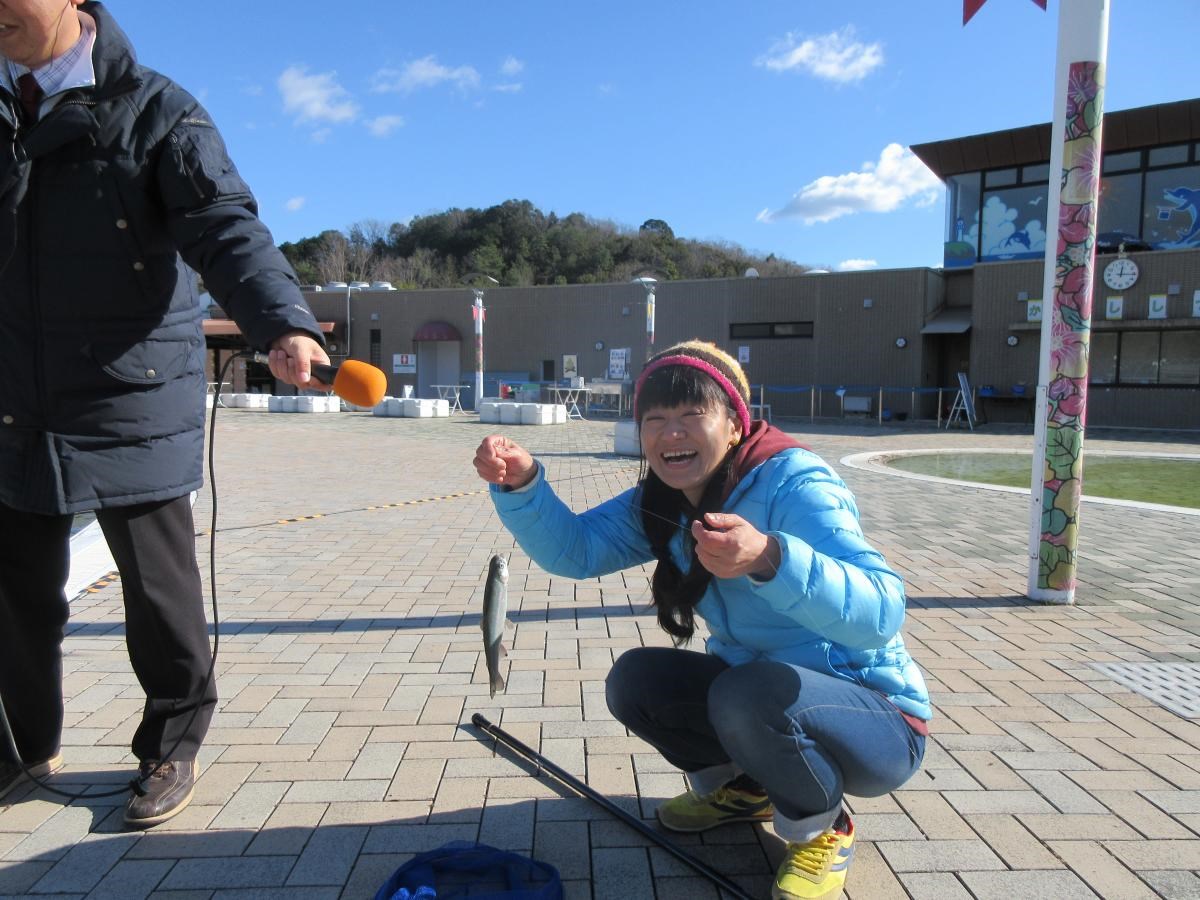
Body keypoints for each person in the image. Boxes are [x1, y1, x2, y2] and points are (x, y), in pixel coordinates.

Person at [0, 0, 330, 826]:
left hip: (129, 386)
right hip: (13, 387)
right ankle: (23, 747)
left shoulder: (156, 109)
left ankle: (171, 744)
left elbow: (224, 226)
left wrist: (281, 321)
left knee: (157, 592)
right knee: (14, 593)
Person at [473, 341, 930, 900]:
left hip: (877, 719)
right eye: (656, 418)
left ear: (735, 424)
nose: (672, 434)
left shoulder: (796, 482)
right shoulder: (663, 500)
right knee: (637, 682)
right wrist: (522, 486)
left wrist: (770, 558)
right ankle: (744, 790)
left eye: (693, 415)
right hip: (763, 698)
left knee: (745, 694)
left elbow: (882, 612)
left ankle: (823, 828)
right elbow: (576, 552)